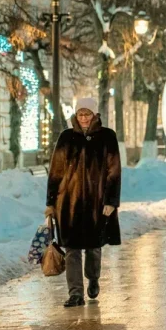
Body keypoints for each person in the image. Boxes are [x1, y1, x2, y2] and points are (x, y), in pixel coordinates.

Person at [46, 97, 121, 308]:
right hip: (68, 203)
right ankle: (75, 294)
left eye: (88, 114)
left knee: (93, 247)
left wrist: (111, 201)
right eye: (81, 114)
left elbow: (114, 171)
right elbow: (55, 172)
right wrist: (51, 203)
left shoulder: (107, 137)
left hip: (97, 204)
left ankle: (93, 277)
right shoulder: (66, 138)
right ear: (75, 116)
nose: (84, 118)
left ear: (95, 115)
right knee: (72, 249)